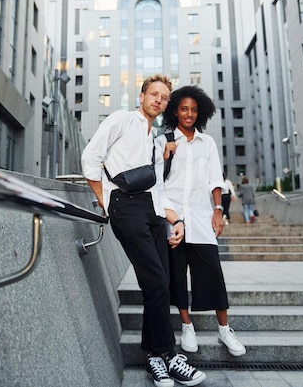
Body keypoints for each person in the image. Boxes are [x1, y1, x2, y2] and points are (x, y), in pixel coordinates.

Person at [81, 75, 206, 386]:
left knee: (159, 285)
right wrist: (105, 200)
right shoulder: (122, 119)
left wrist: (175, 221)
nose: (159, 100)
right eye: (154, 94)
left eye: (164, 98)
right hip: (126, 208)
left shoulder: (155, 142)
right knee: (156, 282)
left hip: (152, 213)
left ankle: (153, 358)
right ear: (142, 96)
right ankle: (169, 355)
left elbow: (159, 190)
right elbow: (90, 158)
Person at [158, 84, 246, 358]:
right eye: (184, 109)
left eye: (194, 110)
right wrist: (164, 155)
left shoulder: (207, 143)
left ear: (201, 113)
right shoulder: (164, 141)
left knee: (213, 273)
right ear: (175, 111)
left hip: (201, 216)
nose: (189, 114)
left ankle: (224, 328)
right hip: (172, 217)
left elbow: (214, 179)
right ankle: (187, 326)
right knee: (176, 273)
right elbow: (157, 182)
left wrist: (218, 209)